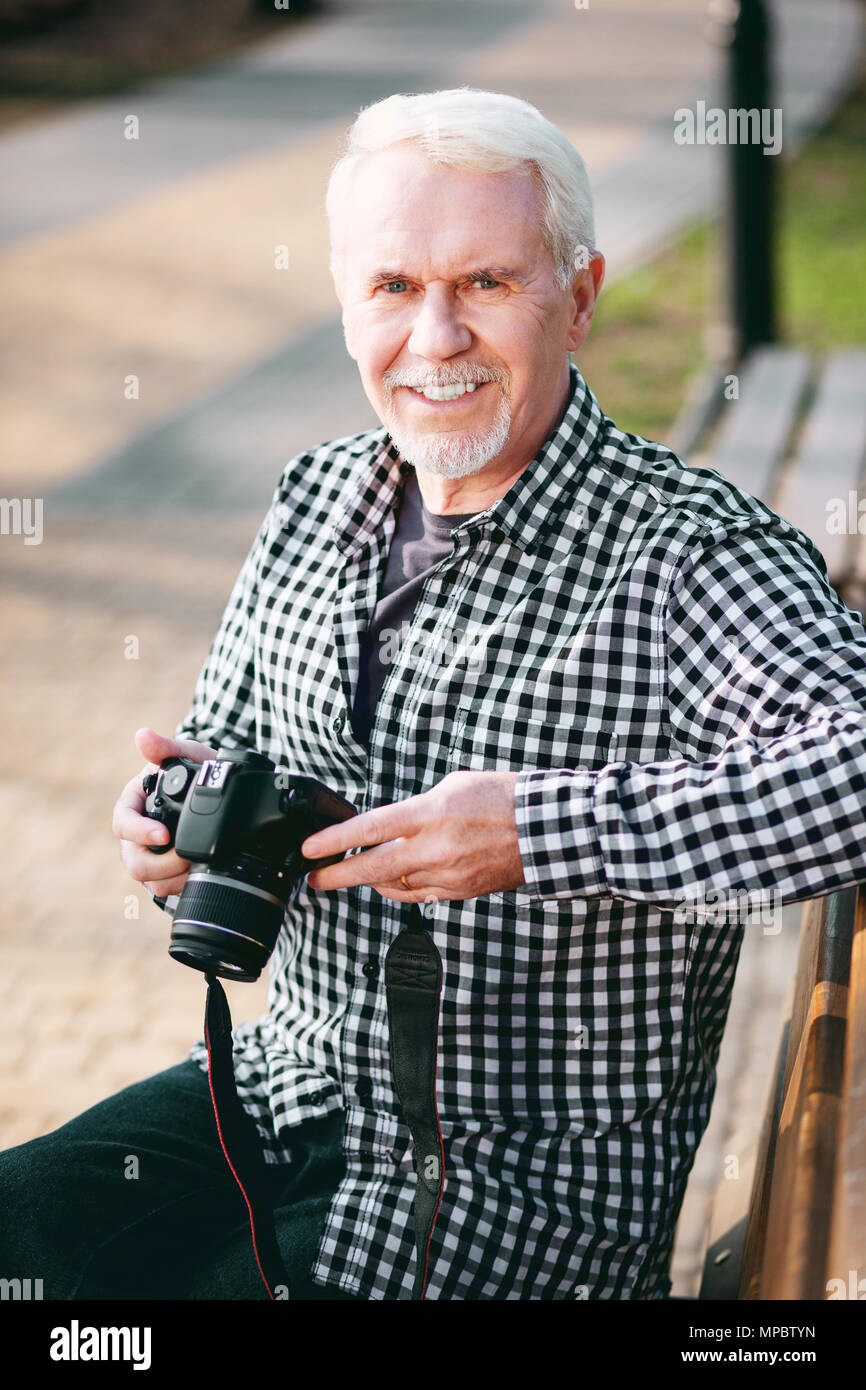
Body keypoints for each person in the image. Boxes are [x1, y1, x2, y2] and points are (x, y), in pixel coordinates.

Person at [6, 87, 866, 1301]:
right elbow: (229, 746)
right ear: (348, 303)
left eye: (487, 283)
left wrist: (536, 833)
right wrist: (170, 819)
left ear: (577, 295)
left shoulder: (688, 554)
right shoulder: (316, 496)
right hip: (282, 1089)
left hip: (517, 1190)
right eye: (394, 287)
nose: (437, 336)